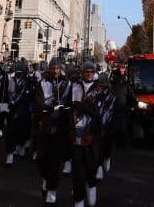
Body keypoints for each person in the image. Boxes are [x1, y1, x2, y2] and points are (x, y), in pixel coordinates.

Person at [36, 58, 71, 204]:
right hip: (45, 126)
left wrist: (64, 107)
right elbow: (38, 102)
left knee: (55, 162)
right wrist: (46, 108)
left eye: (57, 68)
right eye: (53, 68)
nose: (55, 71)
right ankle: (45, 179)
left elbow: (70, 101)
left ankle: (52, 192)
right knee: (42, 159)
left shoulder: (67, 83)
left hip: (60, 129)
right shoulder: (42, 83)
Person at [69, 61, 101, 207]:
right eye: (86, 71)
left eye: (91, 72)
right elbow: (69, 105)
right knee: (77, 170)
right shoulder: (74, 86)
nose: (89, 74)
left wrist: (82, 107)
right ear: (82, 73)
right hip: (76, 134)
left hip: (92, 136)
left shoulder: (99, 90)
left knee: (91, 166)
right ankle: (79, 200)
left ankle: (92, 187)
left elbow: (99, 112)